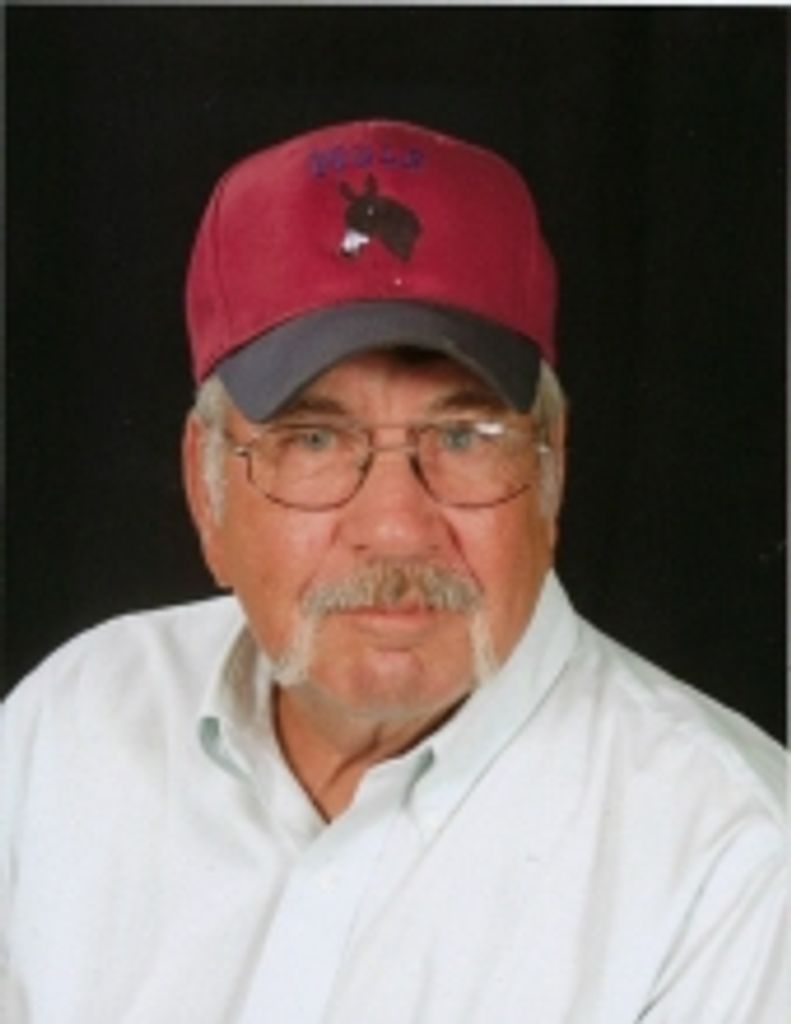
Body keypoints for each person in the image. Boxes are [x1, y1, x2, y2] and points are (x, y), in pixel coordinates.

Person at [1, 120, 786, 1023]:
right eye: (313, 440)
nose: (394, 527)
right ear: (204, 487)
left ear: (551, 468)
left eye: (463, 437)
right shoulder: (65, 730)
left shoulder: (730, 865)